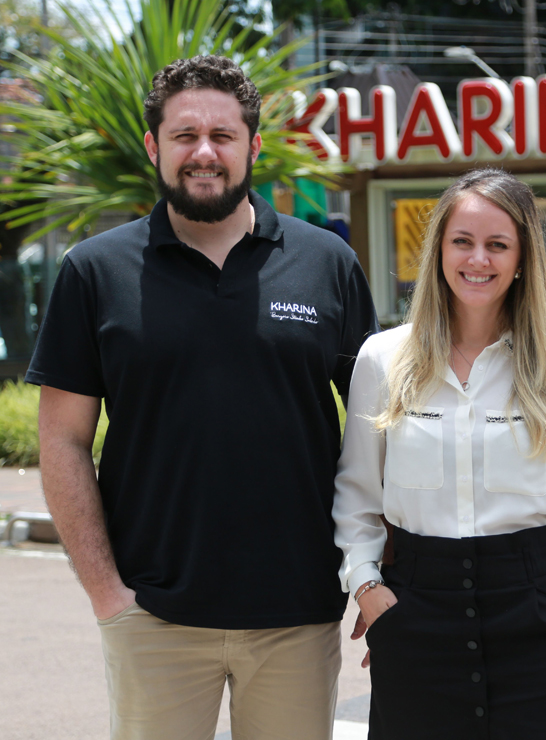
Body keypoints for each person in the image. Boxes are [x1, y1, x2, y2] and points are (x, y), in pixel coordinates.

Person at [27, 55, 377, 740]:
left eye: (222, 134)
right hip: (153, 616)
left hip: (298, 615)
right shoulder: (94, 271)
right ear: (155, 146)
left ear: (251, 144)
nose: (204, 153)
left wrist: (372, 567)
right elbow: (62, 441)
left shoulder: (327, 262)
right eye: (185, 136)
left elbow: (375, 427)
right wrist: (109, 596)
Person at [332, 168, 546, 740]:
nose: (477, 260)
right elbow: (357, 497)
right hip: (415, 614)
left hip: (537, 614)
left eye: (497, 245)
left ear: (522, 258)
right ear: (438, 248)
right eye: (462, 241)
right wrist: (367, 590)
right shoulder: (383, 360)